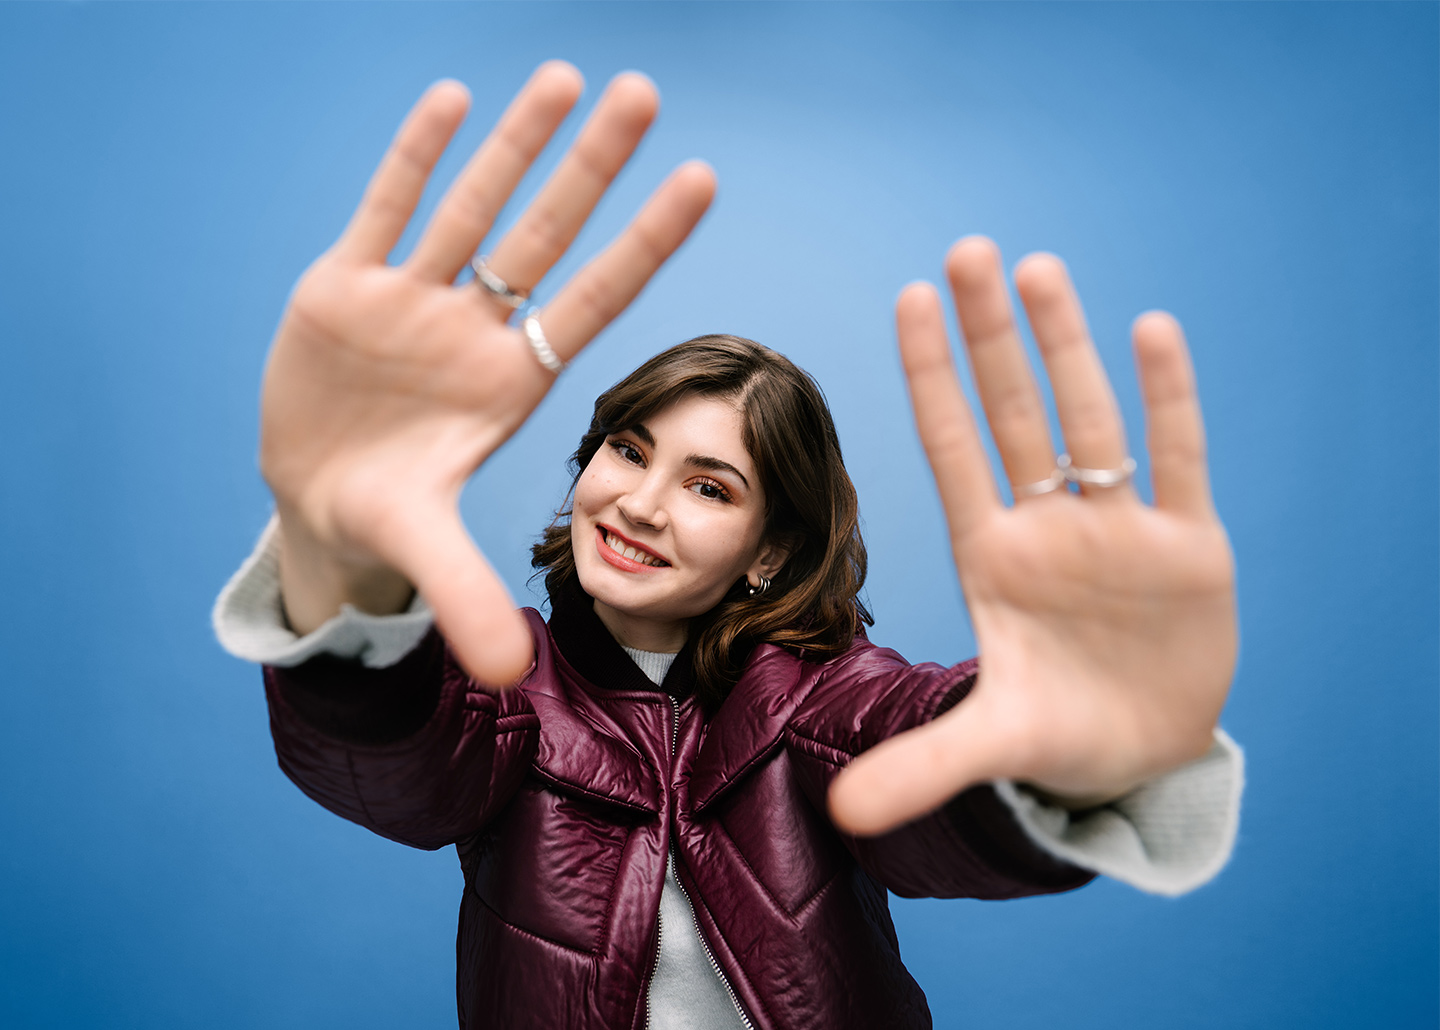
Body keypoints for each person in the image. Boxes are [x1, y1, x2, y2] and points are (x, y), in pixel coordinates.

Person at [215, 63, 1243, 1029]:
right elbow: (388, 763)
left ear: (766, 552)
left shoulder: (819, 698)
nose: (641, 503)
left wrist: (1061, 742)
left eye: (710, 486)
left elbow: (921, 748)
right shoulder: (509, 689)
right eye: (628, 449)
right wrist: (335, 556)